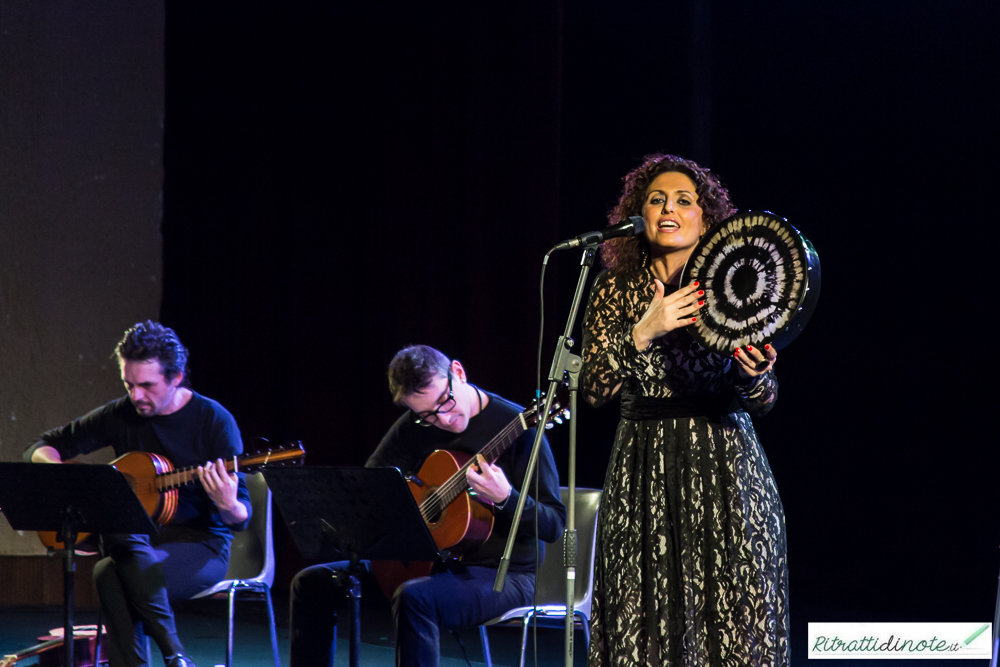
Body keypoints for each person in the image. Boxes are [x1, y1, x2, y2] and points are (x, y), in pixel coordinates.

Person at [581, 154, 789, 666]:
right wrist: (643, 332)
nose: (668, 209)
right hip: (641, 474)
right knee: (643, 622)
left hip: (725, 467)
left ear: (706, 219)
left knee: (734, 624)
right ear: (639, 216)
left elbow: (764, 402)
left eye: (683, 201)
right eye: (656, 200)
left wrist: (754, 375)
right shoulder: (612, 289)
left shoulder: (735, 287)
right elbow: (592, 389)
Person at [290, 344, 566, 667]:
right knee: (309, 585)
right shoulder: (415, 426)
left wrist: (507, 497)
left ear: (458, 373)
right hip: (423, 564)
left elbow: (554, 524)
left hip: (505, 575)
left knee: (415, 597)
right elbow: (366, 487)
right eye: (426, 415)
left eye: (444, 402)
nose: (443, 419)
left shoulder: (521, 428)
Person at [23, 321, 252, 667]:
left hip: (200, 546)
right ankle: (174, 654)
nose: (136, 396)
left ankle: (170, 654)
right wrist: (59, 473)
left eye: (147, 385)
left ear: (176, 378)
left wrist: (227, 504)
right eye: (128, 384)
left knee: (109, 572)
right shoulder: (122, 414)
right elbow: (41, 446)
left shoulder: (213, 420)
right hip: (135, 543)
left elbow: (240, 518)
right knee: (116, 552)